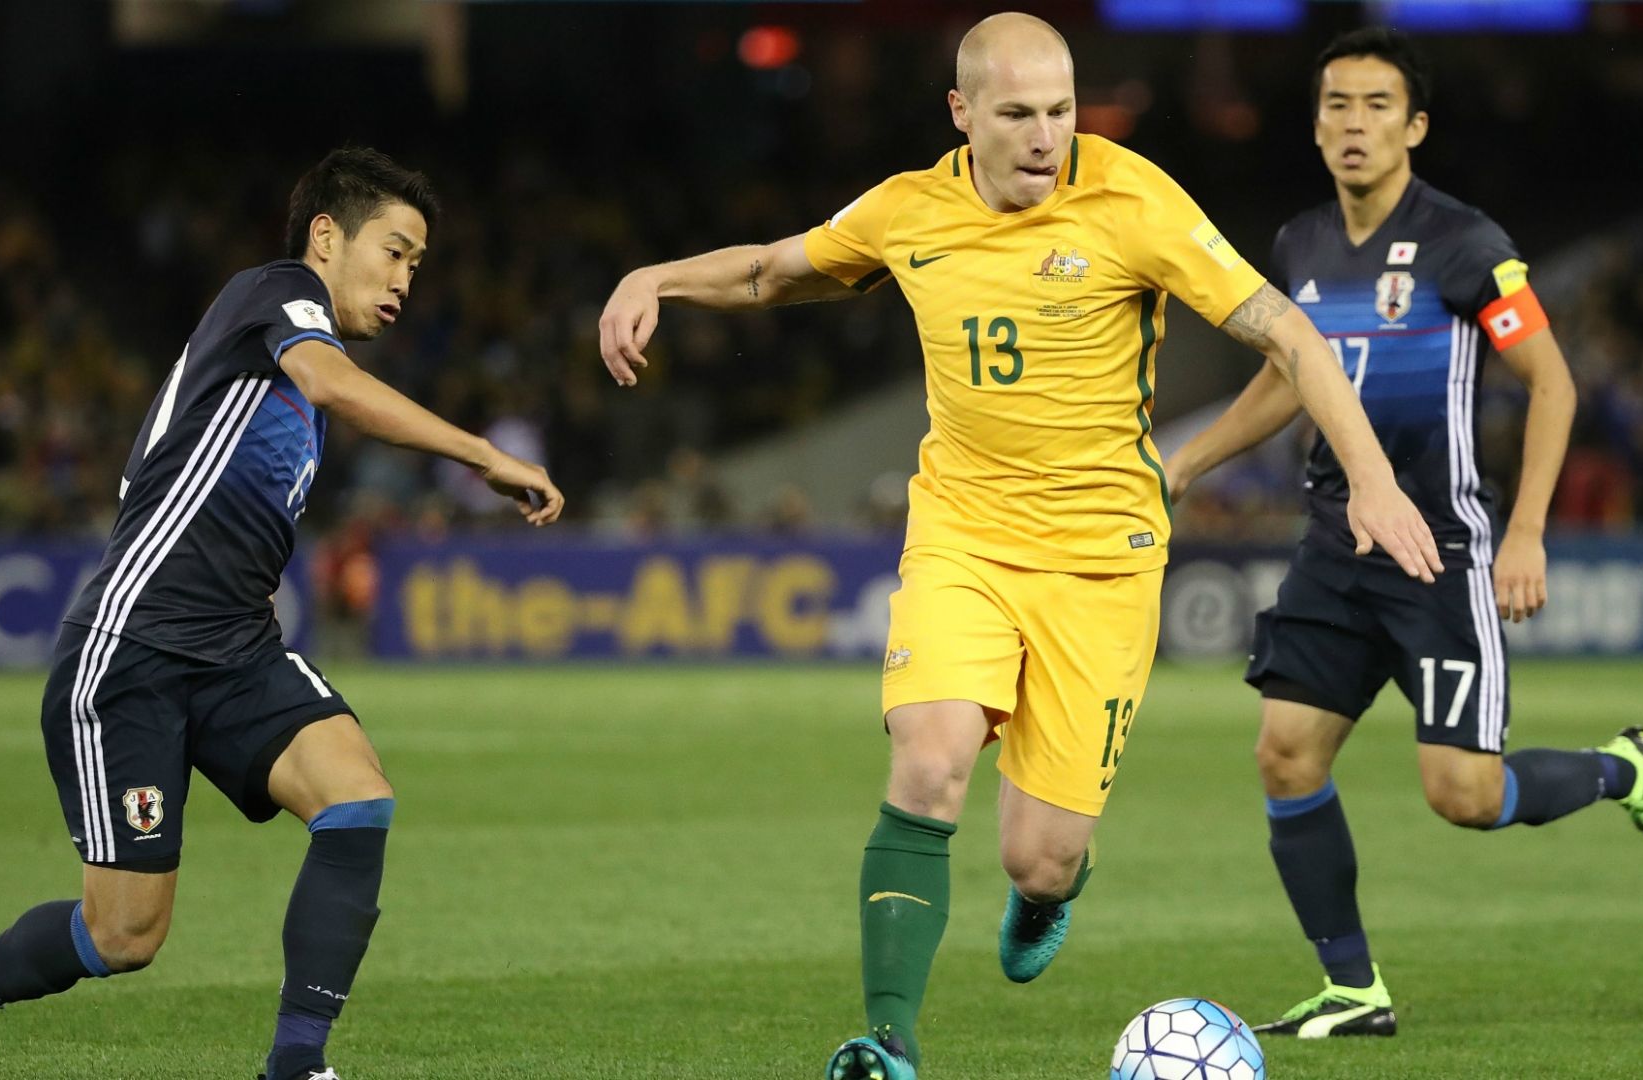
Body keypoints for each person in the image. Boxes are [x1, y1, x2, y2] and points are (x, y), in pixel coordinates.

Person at [598, 14, 1440, 1078]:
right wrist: (655, 279)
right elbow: (774, 271)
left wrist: (1369, 478)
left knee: (1038, 858)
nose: (1047, 137)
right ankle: (890, 1041)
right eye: (1017, 115)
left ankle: (1051, 893)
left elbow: (1287, 333)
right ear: (962, 114)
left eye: (1060, 110)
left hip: (1102, 562)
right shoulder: (909, 209)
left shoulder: (1134, 198)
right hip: (963, 540)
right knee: (931, 759)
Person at [0, 147, 563, 1080]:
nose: (405, 280)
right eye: (395, 250)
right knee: (124, 934)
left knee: (357, 795)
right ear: (328, 237)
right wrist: (482, 454)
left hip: (235, 647)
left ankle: (295, 1066)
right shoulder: (275, 293)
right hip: (131, 646)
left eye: (418, 264)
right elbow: (332, 382)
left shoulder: (296, 378)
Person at [1163, 29, 1643, 1040]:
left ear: (1414, 126)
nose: (1352, 124)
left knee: (1460, 793)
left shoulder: (1468, 245)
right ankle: (1352, 990)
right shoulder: (1299, 247)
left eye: (1375, 105)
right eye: (1335, 104)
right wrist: (1185, 465)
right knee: (1284, 754)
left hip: (1440, 553)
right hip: (1335, 546)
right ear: (1315, 123)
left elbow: (1552, 382)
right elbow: (1286, 378)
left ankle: (1623, 773)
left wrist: (1526, 532)